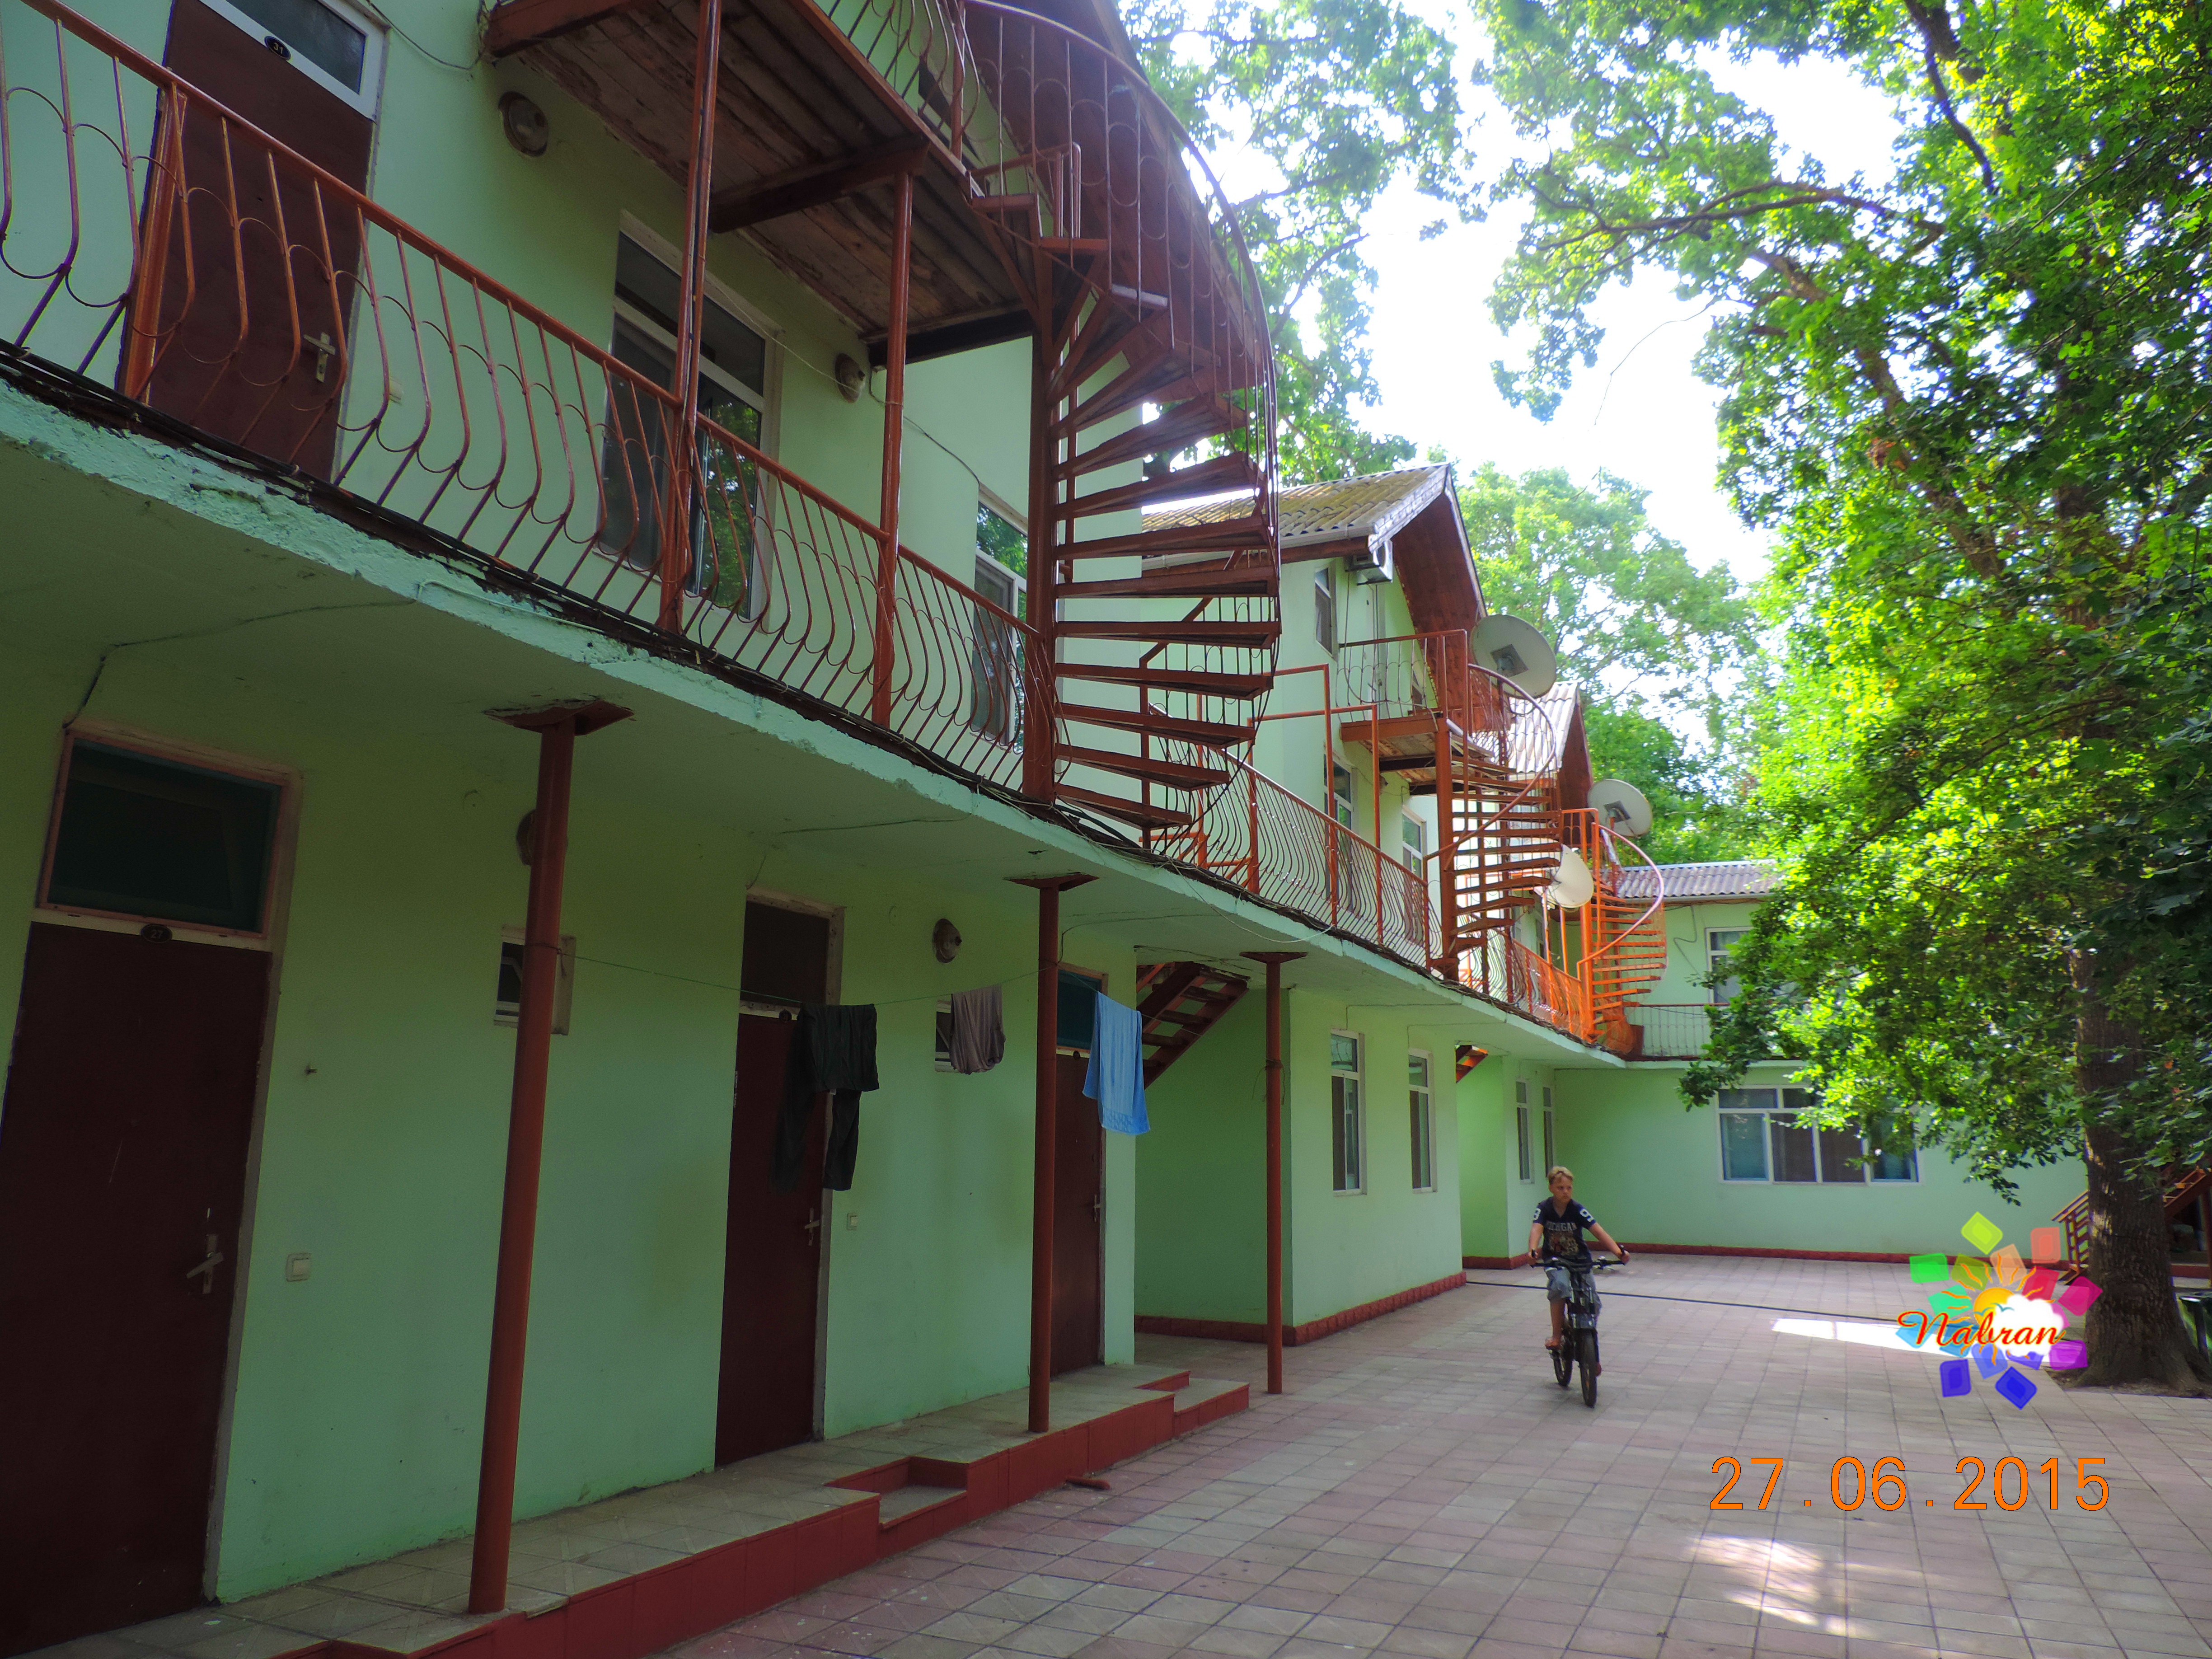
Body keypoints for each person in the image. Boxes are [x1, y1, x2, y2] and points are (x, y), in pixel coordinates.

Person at [1528, 1165, 1627, 1364]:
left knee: (1592, 1304)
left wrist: (1619, 1252)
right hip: (1556, 1260)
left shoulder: (1577, 1209)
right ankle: (1557, 1336)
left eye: (1569, 1188)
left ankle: (1593, 1357)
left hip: (1581, 1261)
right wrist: (1532, 1251)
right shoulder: (1545, 1208)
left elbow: (1598, 1231)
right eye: (1560, 1188)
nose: (1565, 1192)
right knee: (1560, 1287)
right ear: (1551, 1188)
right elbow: (1537, 1229)